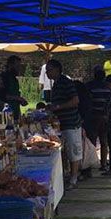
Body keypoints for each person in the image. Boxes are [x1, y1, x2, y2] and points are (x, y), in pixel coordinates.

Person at [46, 59, 83, 189]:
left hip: (71, 123)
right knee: (66, 151)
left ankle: (74, 179)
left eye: (49, 70)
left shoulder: (66, 83)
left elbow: (75, 100)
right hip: (62, 123)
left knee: (73, 151)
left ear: (57, 69)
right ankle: (69, 175)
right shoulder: (56, 84)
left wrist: (58, 107)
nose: (47, 73)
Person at [86, 66, 110, 171]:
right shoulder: (108, 86)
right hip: (105, 117)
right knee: (104, 141)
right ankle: (103, 164)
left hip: (93, 117)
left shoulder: (89, 86)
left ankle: (92, 163)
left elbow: (87, 102)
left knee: (92, 141)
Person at [0, 55, 27, 120]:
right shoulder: (4, 77)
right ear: (10, 65)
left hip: (15, 110)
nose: (19, 68)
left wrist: (19, 100)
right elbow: (3, 96)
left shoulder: (13, 78)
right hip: (7, 111)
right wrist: (18, 98)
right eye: (17, 66)